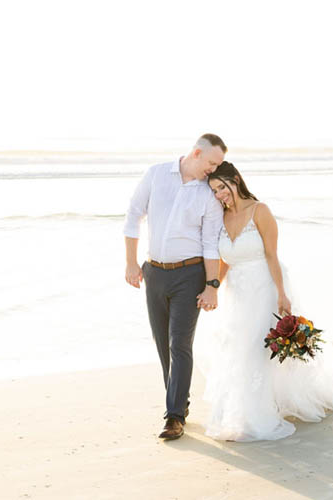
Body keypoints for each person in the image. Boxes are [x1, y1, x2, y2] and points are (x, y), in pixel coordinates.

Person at [199, 161, 333, 442]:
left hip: (264, 287)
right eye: (214, 191)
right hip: (236, 294)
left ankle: (252, 416)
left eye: (221, 187)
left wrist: (282, 294)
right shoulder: (221, 218)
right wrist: (212, 288)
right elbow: (225, 262)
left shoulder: (260, 211)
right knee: (237, 350)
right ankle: (237, 411)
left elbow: (272, 256)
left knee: (254, 351)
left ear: (235, 180)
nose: (219, 195)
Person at [124, 133, 226, 440]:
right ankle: (180, 400)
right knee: (162, 344)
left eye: (218, 164)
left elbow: (211, 243)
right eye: (212, 162)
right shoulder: (156, 174)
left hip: (189, 275)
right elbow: (133, 215)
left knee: (179, 343)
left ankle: (175, 416)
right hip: (153, 272)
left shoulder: (209, 194)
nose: (214, 169)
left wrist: (212, 286)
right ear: (196, 153)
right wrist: (131, 262)